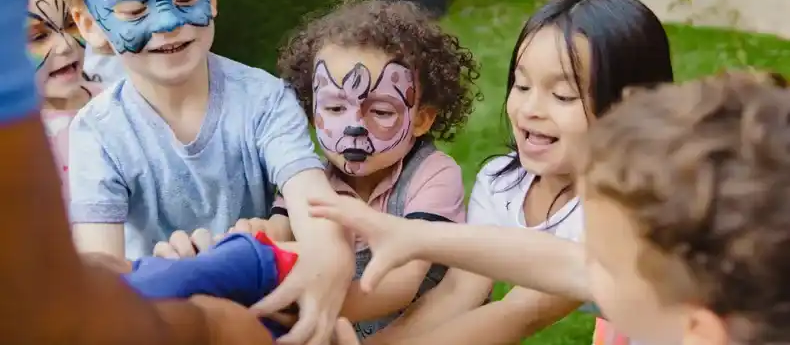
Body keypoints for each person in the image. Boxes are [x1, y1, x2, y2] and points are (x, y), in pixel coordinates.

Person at [51, 0, 354, 343]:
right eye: (135, 10)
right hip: (162, 320)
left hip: (261, 302)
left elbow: (315, 205)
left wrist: (328, 260)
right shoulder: (97, 134)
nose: (169, 22)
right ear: (89, 24)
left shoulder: (263, 100)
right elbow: (101, 273)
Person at [309, 70, 790, 345]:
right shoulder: (687, 305)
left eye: (602, 260)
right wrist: (418, 236)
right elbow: (558, 260)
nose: (582, 259)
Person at [313, 0, 675, 345]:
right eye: (522, 85)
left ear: (628, 112)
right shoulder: (503, 184)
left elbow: (518, 315)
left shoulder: (625, 212)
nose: (530, 108)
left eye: (562, 95)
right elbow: (459, 291)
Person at [0, 0, 282, 343]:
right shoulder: (87, 133)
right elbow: (92, 270)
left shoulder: (254, 96)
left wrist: (277, 227)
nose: (63, 47)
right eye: (37, 36)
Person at [157, 0, 482, 339]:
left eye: (381, 112)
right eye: (336, 108)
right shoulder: (311, 179)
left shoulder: (432, 175)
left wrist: (309, 303)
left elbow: (400, 284)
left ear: (422, 119)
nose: (353, 127)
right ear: (312, 111)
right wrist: (251, 238)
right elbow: (279, 231)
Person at [28, 0, 104, 199]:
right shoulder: (22, 145)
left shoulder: (122, 100)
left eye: (70, 23)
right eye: (38, 37)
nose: (65, 44)